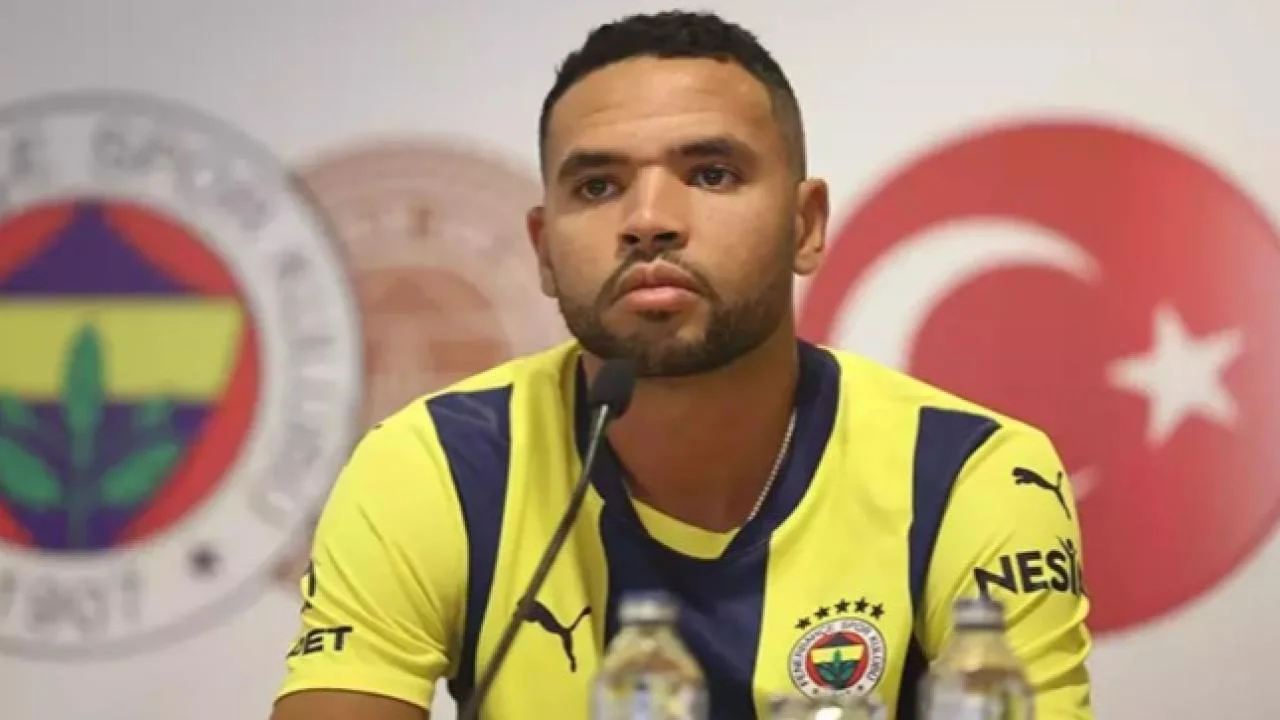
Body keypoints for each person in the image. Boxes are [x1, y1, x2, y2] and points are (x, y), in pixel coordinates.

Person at [270, 10, 1094, 720]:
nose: (649, 220)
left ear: (806, 225)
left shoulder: (968, 475)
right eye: (598, 187)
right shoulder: (436, 467)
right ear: (543, 250)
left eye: (711, 174)